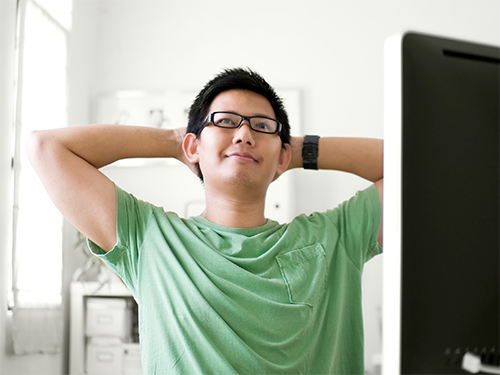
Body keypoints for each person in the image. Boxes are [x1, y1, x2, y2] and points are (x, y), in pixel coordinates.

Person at [28, 68, 383, 375]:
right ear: (194, 146)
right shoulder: (151, 238)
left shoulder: (333, 237)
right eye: (225, 122)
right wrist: (173, 142)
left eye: (261, 126)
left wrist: (294, 151)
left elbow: (416, 167)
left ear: (283, 154)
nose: (244, 135)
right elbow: (46, 148)